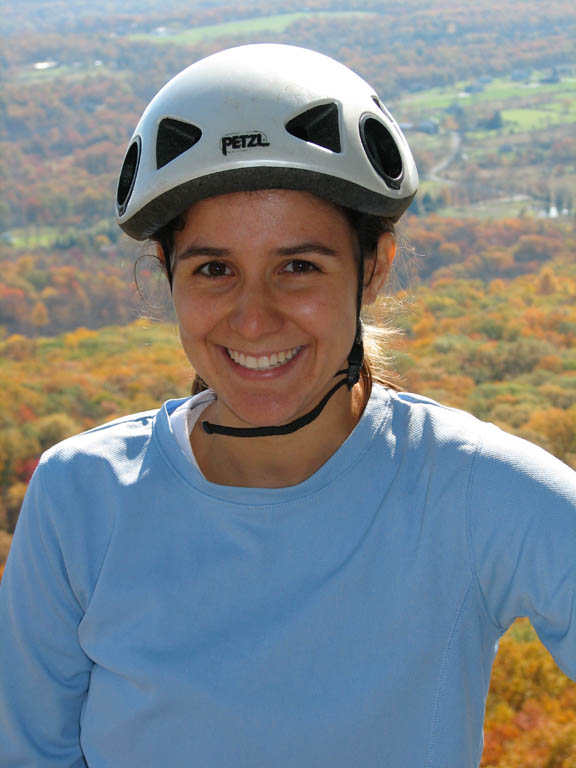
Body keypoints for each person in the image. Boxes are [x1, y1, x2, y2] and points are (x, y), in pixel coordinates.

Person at [0, 44, 575, 768]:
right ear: (166, 279)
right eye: (214, 269)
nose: (252, 318)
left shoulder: (471, 490)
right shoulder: (79, 498)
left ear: (373, 268)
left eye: (297, 266)